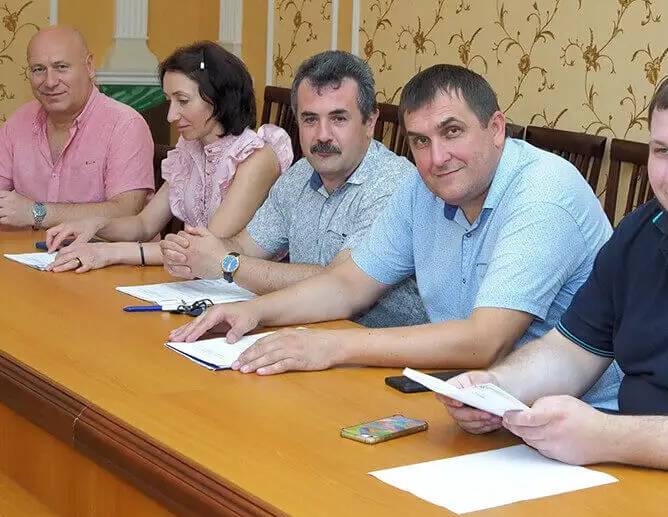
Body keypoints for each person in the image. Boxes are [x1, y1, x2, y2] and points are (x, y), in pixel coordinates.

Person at [167, 64, 621, 412]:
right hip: (471, 400)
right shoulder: (421, 189)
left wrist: (330, 346)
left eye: (452, 132)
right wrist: (253, 312)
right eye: (420, 141)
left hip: (581, 418)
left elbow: (486, 341)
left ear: (496, 129)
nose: (437, 157)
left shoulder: (543, 192)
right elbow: (348, 285)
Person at [440, 60, 668, 477]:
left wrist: (610, 437)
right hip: (631, 480)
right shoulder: (642, 232)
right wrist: (496, 388)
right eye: (662, 151)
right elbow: (571, 352)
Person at [160, 50, 427, 328]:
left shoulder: (394, 184)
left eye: (338, 119)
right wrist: (196, 250)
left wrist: (228, 264)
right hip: (306, 332)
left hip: (375, 344)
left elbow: (339, 283)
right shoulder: (300, 174)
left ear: (370, 122)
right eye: (310, 119)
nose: (323, 135)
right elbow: (245, 247)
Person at [44, 41, 293, 272]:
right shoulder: (190, 148)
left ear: (219, 98)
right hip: (198, 283)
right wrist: (95, 224)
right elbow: (144, 224)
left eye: (182, 101)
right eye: (168, 100)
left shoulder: (256, 157)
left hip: (247, 290)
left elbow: (203, 250)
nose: (170, 116)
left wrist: (109, 252)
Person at [0, 25, 154, 229]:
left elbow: (125, 212)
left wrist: (36, 213)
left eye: (61, 67)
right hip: (23, 248)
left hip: (103, 249)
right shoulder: (19, 122)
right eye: (39, 69)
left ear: (89, 66)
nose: (50, 82)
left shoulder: (125, 125)